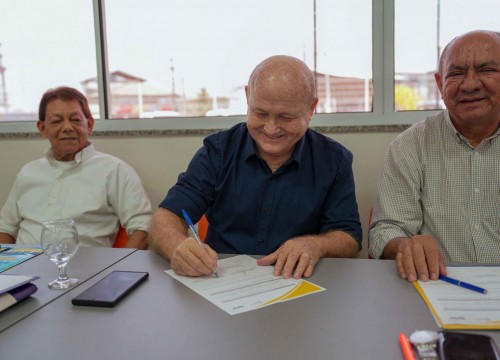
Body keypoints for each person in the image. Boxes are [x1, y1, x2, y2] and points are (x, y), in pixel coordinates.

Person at [149, 55, 362, 278]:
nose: (271, 128)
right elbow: (166, 218)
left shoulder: (333, 160)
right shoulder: (218, 152)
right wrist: (177, 246)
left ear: (311, 109)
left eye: (286, 117)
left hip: (297, 283)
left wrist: (316, 245)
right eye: (260, 113)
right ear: (248, 96)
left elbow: (349, 237)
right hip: (220, 283)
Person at [369, 30, 500, 282]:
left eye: (486, 70)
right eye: (456, 73)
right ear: (440, 84)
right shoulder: (410, 146)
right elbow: (386, 230)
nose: (470, 84)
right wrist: (405, 246)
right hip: (437, 286)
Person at [0, 86, 152, 248]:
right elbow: (5, 229)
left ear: (89, 125)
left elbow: (143, 227)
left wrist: (124, 270)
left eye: (75, 120)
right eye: (57, 121)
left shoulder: (115, 170)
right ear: (42, 128)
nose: (67, 128)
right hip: (23, 267)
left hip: (84, 268)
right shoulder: (28, 172)